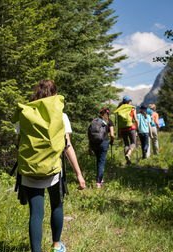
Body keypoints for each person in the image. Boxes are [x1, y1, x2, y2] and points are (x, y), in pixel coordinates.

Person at [13, 80, 86, 252]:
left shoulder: (25, 113)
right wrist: (79, 174)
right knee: (57, 205)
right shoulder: (61, 116)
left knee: (36, 214)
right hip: (53, 170)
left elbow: (19, 142)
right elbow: (67, 146)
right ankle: (56, 245)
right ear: (54, 94)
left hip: (30, 170)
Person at [89, 107, 115, 188]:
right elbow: (112, 135)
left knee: (98, 161)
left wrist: (90, 146)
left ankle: (100, 178)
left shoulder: (95, 121)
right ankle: (98, 182)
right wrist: (112, 141)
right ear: (108, 113)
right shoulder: (109, 121)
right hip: (104, 142)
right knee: (102, 162)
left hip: (94, 143)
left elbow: (90, 134)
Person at [115, 95, 138, 165]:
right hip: (131, 128)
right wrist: (137, 128)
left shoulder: (119, 109)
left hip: (122, 129)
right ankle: (129, 153)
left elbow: (117, 121)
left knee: (126, 144)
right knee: (133, 143)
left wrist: (118, 131)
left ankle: (128, 161)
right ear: (129, 101)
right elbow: (136, 120)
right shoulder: (132, 108)